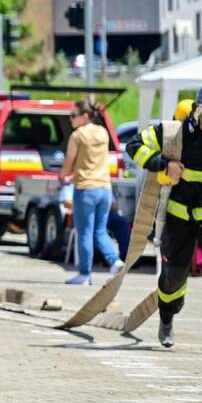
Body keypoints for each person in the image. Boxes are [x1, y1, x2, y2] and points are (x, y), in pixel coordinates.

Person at [125, 82, 202, 351]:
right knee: (174, 276)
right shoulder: (175, 133)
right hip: (179, 216)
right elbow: (134, 145)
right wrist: (164, 164)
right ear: (197, 114)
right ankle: (167, 316)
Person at [60, 101, 124, 286]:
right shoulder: (103, 133)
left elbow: (70, 160)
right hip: (105, 188)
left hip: (86, 188)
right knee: (100, 230)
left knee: (84, 233)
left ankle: (84, 275)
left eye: (73, 115)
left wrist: (63, 175)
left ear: (85, 116)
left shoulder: (77, 136)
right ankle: (115, 261)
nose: (70, 119)